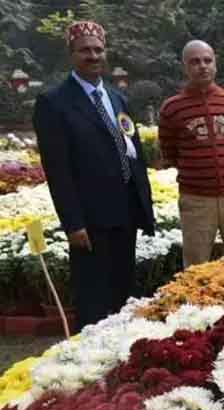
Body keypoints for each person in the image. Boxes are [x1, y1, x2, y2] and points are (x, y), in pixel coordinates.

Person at [33, 21, 155, 330]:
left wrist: (143, 206)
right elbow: (57, 170)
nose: (93, 55)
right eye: (85, 50)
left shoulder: (116, 98)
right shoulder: (53, 103)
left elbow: (133, 152)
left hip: (125, 212)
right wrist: (73, 223)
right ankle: (91, 364)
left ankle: (123, 357)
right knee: (93, 299)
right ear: (71, 54)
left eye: (98, 49)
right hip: (90, 221)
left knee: (123, 293)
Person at [158, 40, 224, 268]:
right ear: (185, 67)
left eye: (207, 60)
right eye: (195, 62)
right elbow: (168, 150)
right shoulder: (172, 108)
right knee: (195, 266)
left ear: (215, 65)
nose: (202, 66)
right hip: (196, 200)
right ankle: (196, 305)